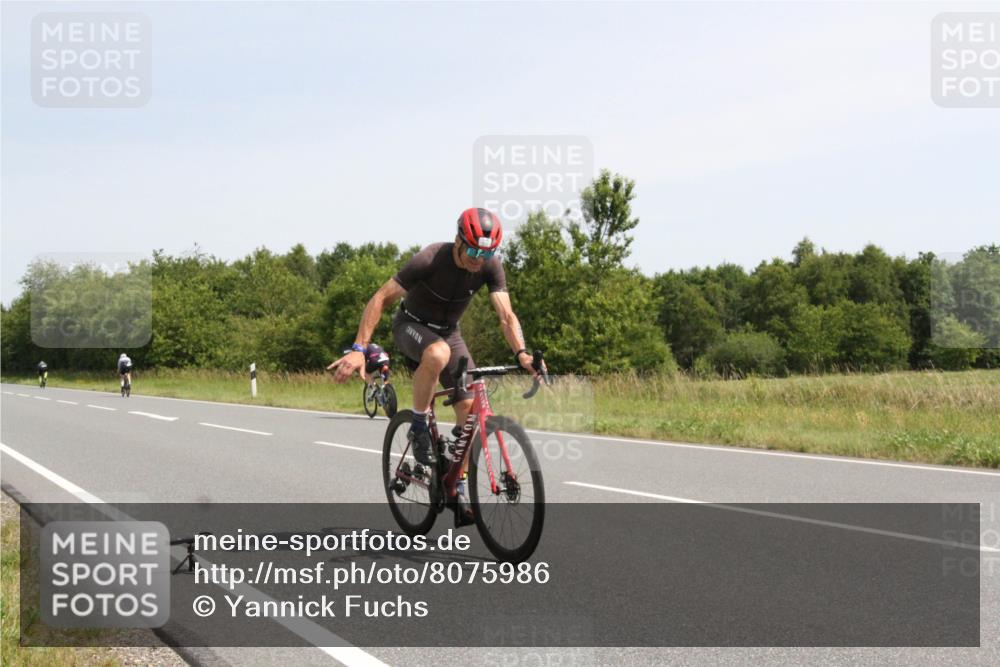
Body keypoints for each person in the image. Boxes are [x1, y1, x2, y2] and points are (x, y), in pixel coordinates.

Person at [328, 207, 544, 513]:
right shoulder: (430, 258)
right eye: (471, 250)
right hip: (411, 325)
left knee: (470, 409)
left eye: (485, 253)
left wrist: (522, 353)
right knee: (438, 353)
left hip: (449, 333)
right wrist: (358, 348)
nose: (476, 259)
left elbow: (506, 316)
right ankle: (418, 425)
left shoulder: (489, 266)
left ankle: (455, 480)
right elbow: (380, 298)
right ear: (458, 239)